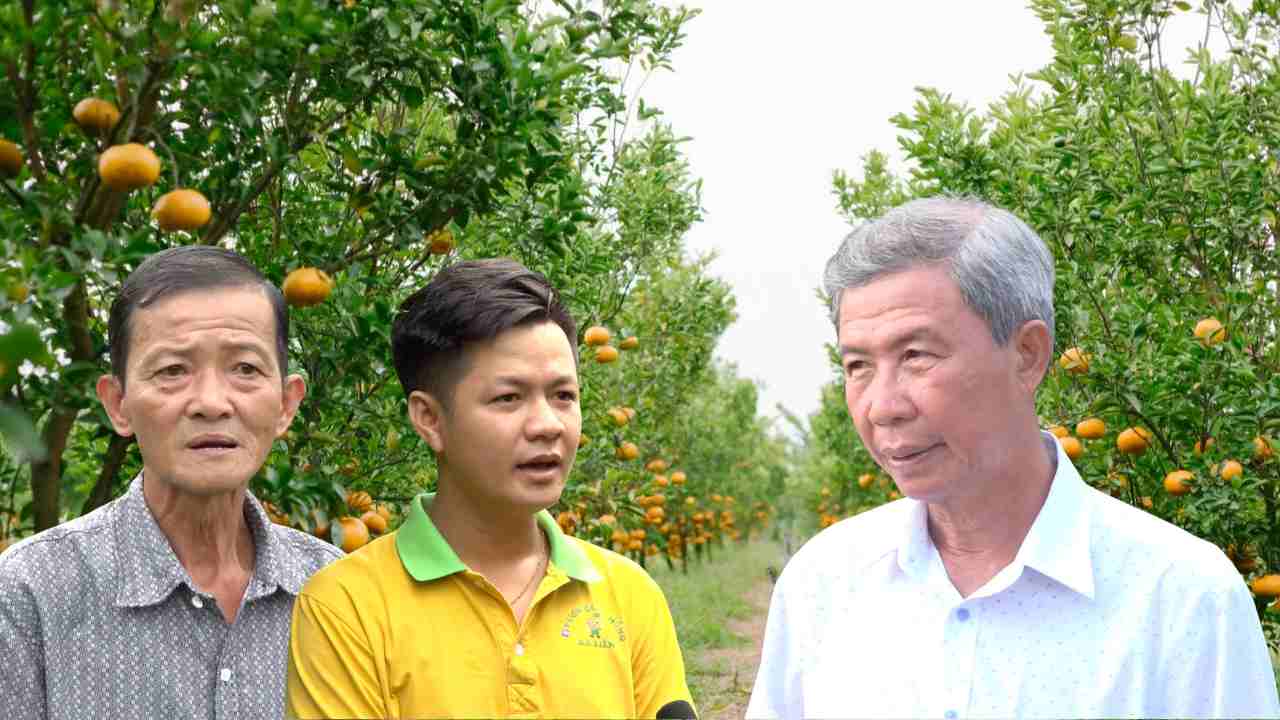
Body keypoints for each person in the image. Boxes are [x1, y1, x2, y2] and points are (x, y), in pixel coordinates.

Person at [746, 197, 1280, 719]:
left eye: (916, 356)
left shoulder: (1181, 599)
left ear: (1027, 356)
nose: (882, 406)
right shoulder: (823, 582)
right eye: (858, 365)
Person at [285, 258, 695, 719]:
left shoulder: (629, 596)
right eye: (508, 398)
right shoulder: (347, 607)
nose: (547, 425)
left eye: (564, 396)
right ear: (430, 419)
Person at [0, 246, 342, 720]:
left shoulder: (337, 591)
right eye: (172, 370)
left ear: (286, 403)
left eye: (245, 368)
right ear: (118, 404)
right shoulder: (28, 595)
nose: (211, 402)